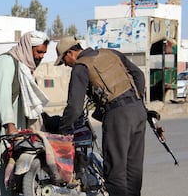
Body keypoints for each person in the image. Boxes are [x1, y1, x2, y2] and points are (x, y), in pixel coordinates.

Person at [53, 36, 147, 196]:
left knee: (115, 171)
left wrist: (64, 129)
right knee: (133, 170)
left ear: (70, 53)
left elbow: (75, 106)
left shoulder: (81, 66)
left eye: (64, 61)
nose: (67, 65)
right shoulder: (111, 53)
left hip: (118, 114)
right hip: (138, 110)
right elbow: (138, 75)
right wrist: (139, 101)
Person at [0, 31, 50, 196]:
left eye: (44, 53)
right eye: (39, 52)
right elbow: (3, 96)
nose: (41, 57)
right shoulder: (5, 62)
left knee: (9, 173)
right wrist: (10, 125)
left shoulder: (24, 68)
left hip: (9, 126)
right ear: (28, 48)